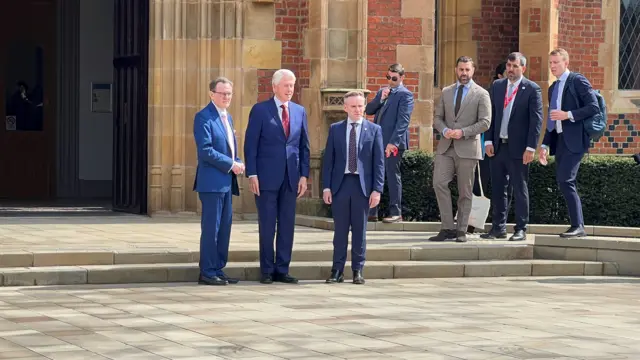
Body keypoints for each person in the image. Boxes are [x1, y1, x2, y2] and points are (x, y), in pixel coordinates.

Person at [244, 69, 311, 284]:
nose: (290, 89)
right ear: (274, 87)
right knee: (267, 224)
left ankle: (282, 268)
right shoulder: (260, 110)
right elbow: (250, 145)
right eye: (286, 85)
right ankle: (266, 269)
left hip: (291, 178)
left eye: (292, 86)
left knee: (287, 224)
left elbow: (304, 147)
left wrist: (304, 175)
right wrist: (252, 173)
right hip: (265, 178)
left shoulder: (300, 111)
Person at [322, 91, 385, 285]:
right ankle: (337, 270)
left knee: (360, 230)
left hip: (362, 186)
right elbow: (329, 162)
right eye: (354, 106)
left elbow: (379, 162)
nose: (358, 110)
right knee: (340, 230)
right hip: (341, 185)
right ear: (345, 108)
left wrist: (377, 189)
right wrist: (326, 187)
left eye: (361, 106)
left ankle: (358, 269)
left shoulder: (374, 130)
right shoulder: (335, 129)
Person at [482, 52, 543, 241]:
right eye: (508, 66)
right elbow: (490, 115)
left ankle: (521, 228)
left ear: (523, 68)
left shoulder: (532, 89)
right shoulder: (498, 86)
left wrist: (531, 148)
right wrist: (489, 141)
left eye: (515, 66)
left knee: (519, 188)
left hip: (519, 149)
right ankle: (498, 228)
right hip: (499, 146)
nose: (511, 69)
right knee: (499, 188)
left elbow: (536, 121)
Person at [430, 56, 491, 243]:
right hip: (446, 147)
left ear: (473, 71)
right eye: (461, 69)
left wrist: (463, 132)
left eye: (467, 70)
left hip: (468, 148)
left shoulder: (481, 94)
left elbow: (485, 122)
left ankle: (461, 230)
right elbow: (437, 118)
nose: (464, 73)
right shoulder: (447, 92)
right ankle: (447, 227)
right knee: (439, 183)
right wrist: (445, 130)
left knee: (465, 191)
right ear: (456, 69)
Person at [539, 48, 599, 238]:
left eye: (556, 62)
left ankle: (578, 226)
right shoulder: (552, 88)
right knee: (563, 181)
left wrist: (569, 115)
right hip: (560, 140)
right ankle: (576, 225)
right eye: (550, 63)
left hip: (575, 140)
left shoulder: (577, 80)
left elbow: (593, 107)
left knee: (566, 180)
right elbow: (551, 119)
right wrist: (544, 145)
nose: (552, 66)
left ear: (566, 63)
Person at [193, 77, 244, 286]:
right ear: (211, 94)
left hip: (226, 181)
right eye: (222, 93)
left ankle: (218, 268)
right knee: (211, 229)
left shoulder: (227, 117)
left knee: (224, 228)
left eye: (229, 93)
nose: (226, 97)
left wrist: (238, 162)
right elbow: (205, 150)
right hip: (211, 183)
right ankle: (207, 271)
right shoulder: (203, 117)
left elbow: (230, 147)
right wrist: (231, 164)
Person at [365, 63, 414, 223]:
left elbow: (403, 121)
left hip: (393, 143)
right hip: (377, 141)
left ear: (402, 78)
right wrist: (380, 98)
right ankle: (372, 211)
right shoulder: (383, 92)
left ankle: (396, 212)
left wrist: (393, 142)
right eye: (388, 77)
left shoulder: (405, 95)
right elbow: (369, 110)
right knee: (375, 175)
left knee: (392, 175)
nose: (391, 81)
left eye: (394, 78)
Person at [469, 62, 508, 234]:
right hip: (485, 145)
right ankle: (473, 222)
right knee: (479, 185)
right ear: (499, 76)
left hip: (503, 147)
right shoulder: (490, 93)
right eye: (507, 71)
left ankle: (499, 223)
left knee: (502, 186)